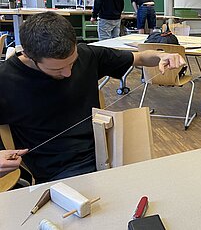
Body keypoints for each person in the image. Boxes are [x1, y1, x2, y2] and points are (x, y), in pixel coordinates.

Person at [0, 12, 185, 183]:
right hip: (61, 172)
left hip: (108, 153)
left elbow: (141, 57)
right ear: (28, 55)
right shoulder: (5, 80)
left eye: (71, 63)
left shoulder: (86, 54)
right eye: (56, 69)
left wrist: (163, 55)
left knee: (165, 181)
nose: (67, 73)